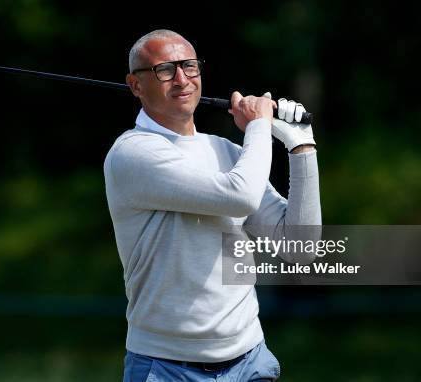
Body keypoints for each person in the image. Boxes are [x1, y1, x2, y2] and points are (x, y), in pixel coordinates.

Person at [104, 29, 321, 381]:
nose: (181, 79)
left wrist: (302, 148)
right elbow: (240, 195)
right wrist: (260, 127)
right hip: (167, 366)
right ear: (135, 85)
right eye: (165, 70)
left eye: (190, 67)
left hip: (250, 360)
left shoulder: (228, 152)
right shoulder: (132, 154)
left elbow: (301, 247)